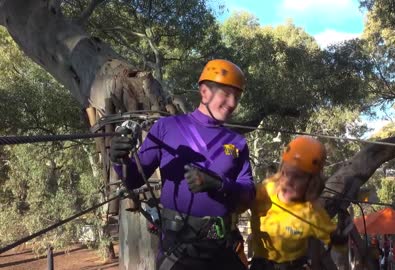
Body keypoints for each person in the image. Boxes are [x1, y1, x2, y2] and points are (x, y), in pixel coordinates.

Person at [110, 59, 255, 270]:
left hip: (223, 249)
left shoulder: (237, 142)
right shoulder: (166, 128)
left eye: (237, 96)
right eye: (226, 93)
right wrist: (119, 159)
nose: (232, 103)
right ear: (204, 91)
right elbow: (133, 179)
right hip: (178, 249)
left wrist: (220, 184)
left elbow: (249, 194)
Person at [248, 136, 340, 270]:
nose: (288, 182)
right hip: (261, 265)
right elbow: (236, 203)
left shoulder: (312, 212)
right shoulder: (263, 193)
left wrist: (340, 238)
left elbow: (336, 240)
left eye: (297, 177)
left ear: (311, 182)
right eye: (285, 173)